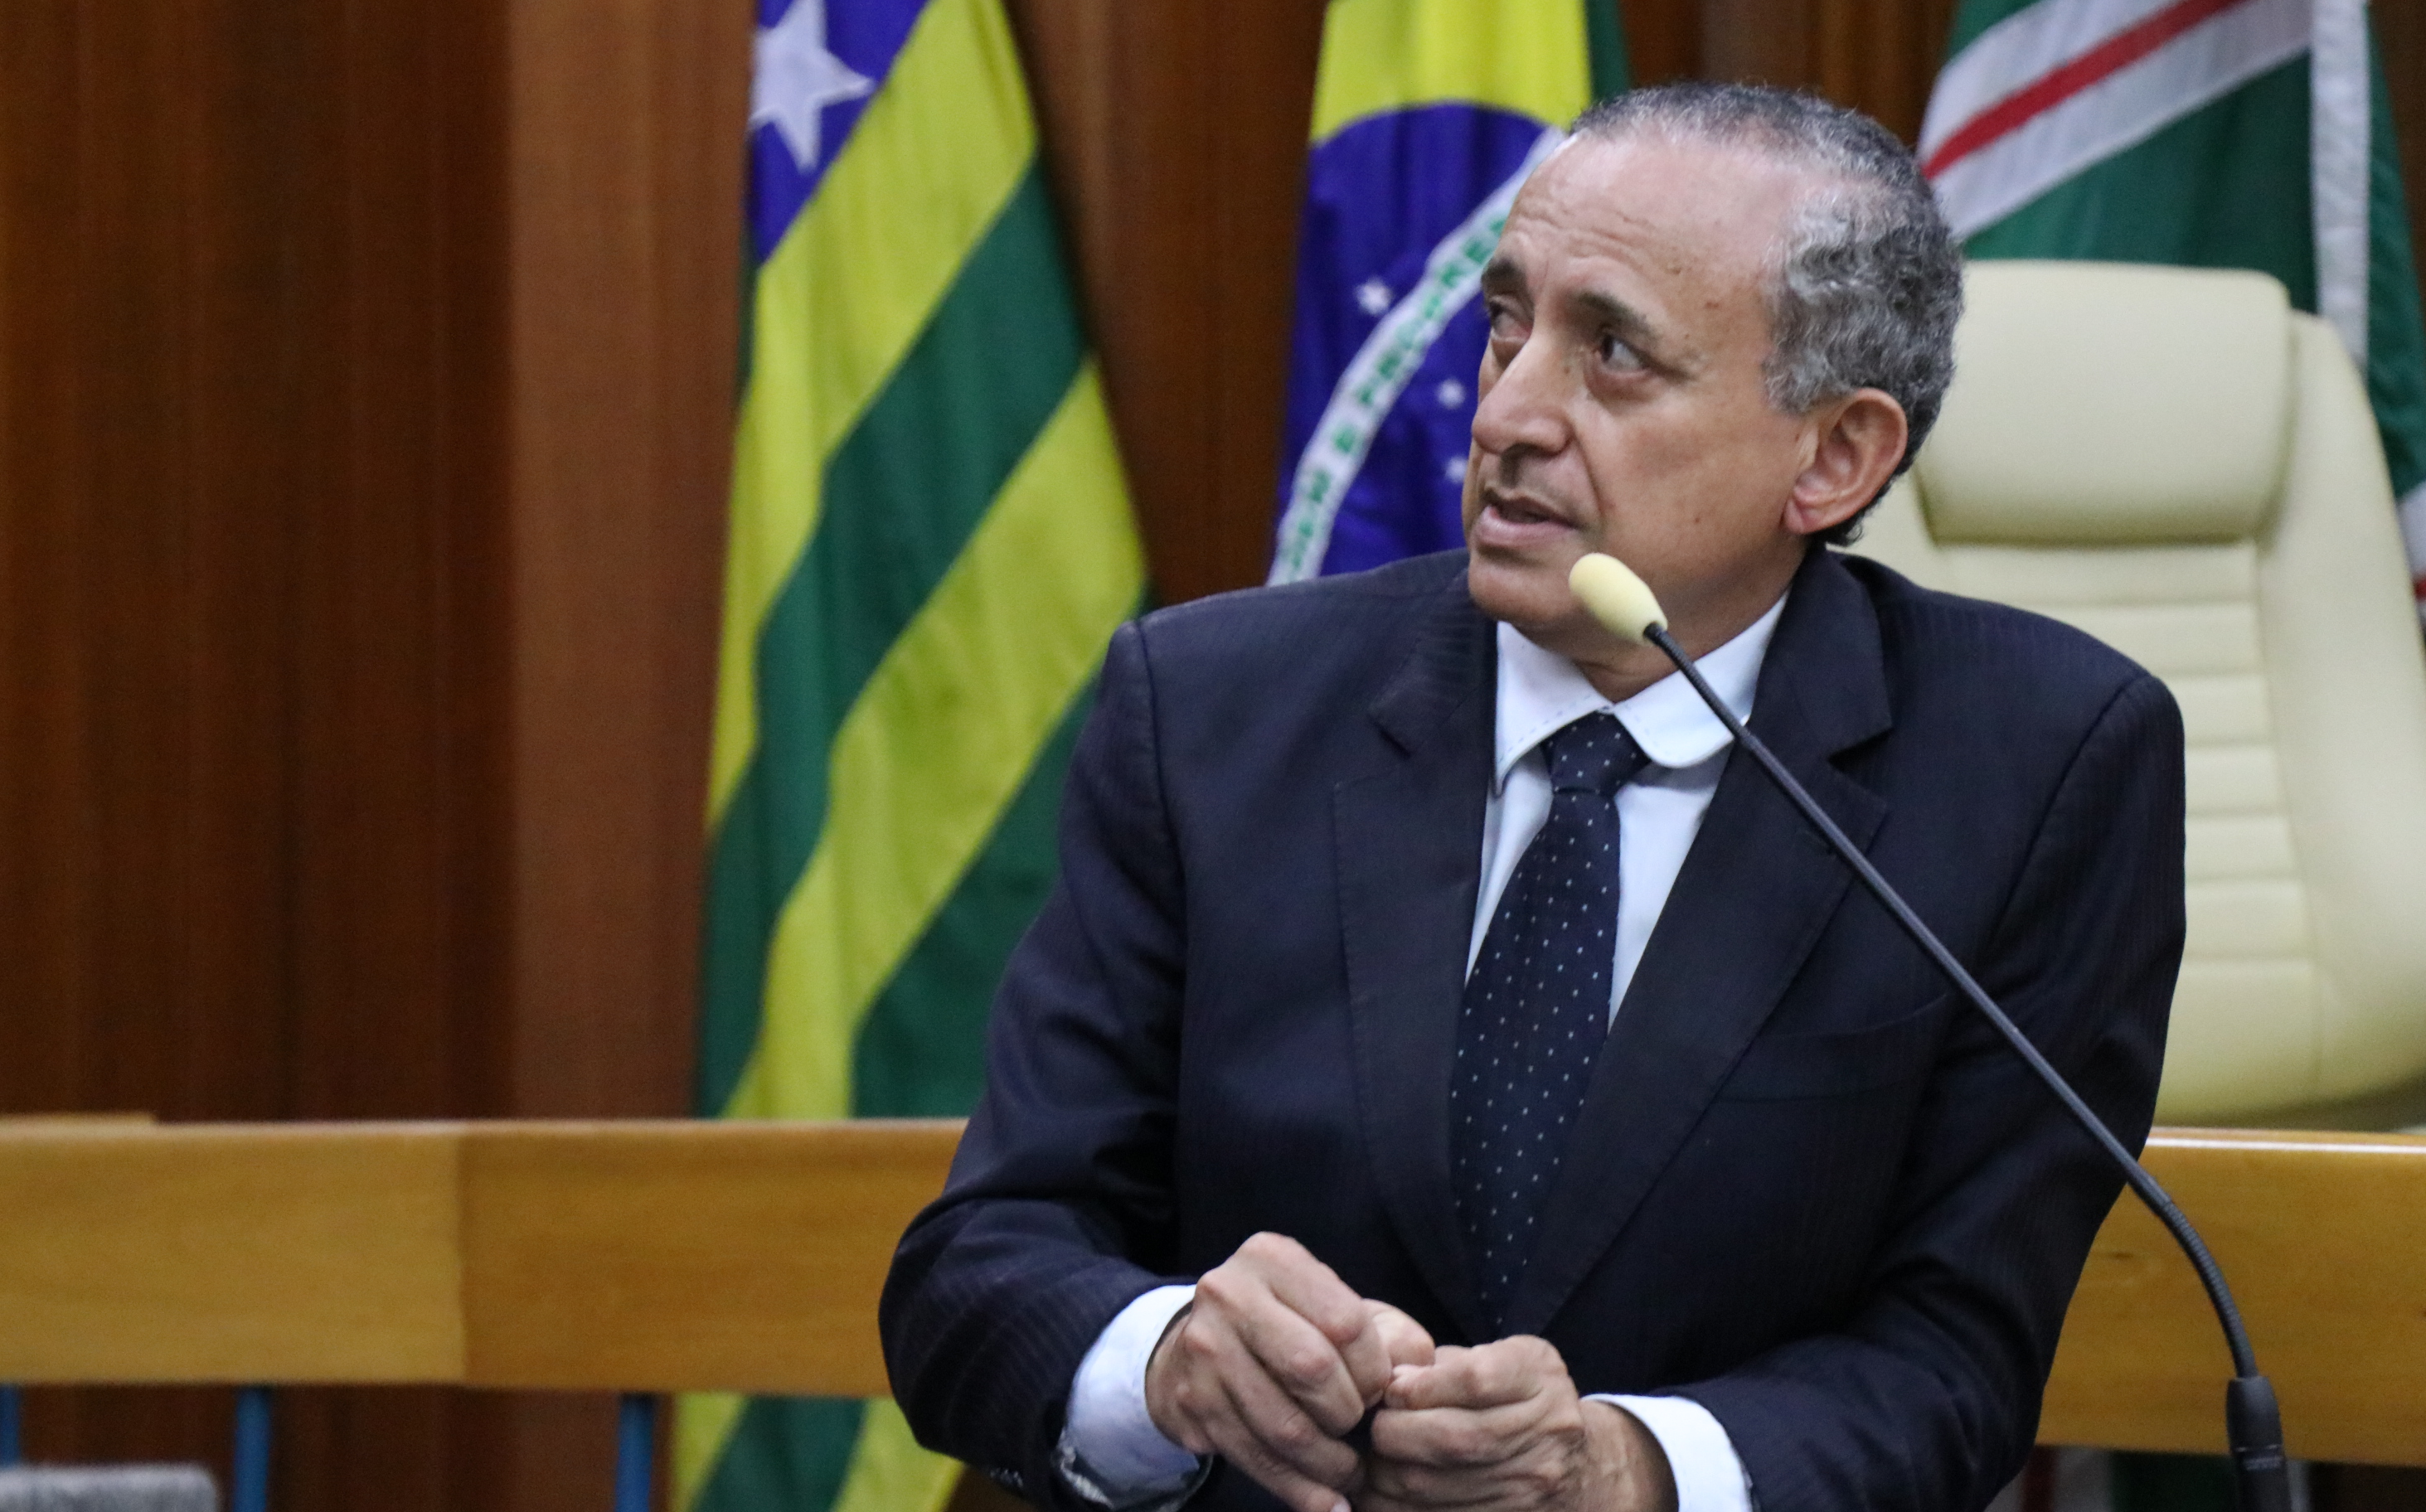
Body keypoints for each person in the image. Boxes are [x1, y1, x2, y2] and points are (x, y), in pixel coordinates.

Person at [880, 83, 2186, 1512]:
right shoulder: (1208, 710)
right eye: (1507, 324)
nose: (1504, 412)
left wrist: (1624, 1470)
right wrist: (1166, 1361)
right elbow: (979, 1273)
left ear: (1834, 457)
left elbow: (1954, 1361)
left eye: (1612, 353)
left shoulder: (2040, 765)